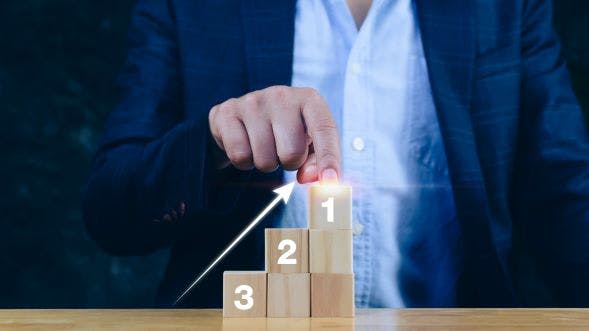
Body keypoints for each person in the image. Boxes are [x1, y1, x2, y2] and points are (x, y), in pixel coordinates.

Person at [83, 0, 589, 308]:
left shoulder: (508, 7)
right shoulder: (189, 7)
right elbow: (111, 209)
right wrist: (212, 144)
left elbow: (564, 193)